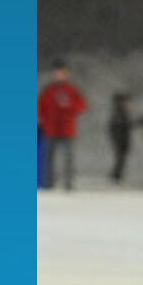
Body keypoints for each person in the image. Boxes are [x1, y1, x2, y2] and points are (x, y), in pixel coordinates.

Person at [37, 58, 88, 190]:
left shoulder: (72, 89)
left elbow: (82, 105)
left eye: (63, 73)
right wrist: (40, 119)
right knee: (49, 158)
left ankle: (68, 183)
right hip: (51, 129)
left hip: (67, 129)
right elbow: (41, 107)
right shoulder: (48, 90)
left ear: (67, 74)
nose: (60, 75)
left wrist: (71, 107)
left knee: (68, 158)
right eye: (58, 73)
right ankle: (48, 182)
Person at [108, 92, 132, 183]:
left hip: (121, 138)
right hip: (120, 138)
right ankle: (116, 174)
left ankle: (117, 174)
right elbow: (117, 126)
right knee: (120, 156)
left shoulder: (120, 112)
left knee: (121, 157)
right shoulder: (119, 113)